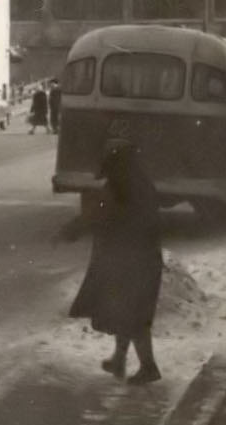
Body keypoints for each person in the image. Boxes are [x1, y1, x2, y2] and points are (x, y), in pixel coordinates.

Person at [60, 140, 163, 385]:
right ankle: (119, 359)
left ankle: (148, 367)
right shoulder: (142, 184)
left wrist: (69, 232)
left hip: (129, 261)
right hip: (144, 258)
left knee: (132, 317)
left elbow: (95, 214)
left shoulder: (118, 188)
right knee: (128, 313)